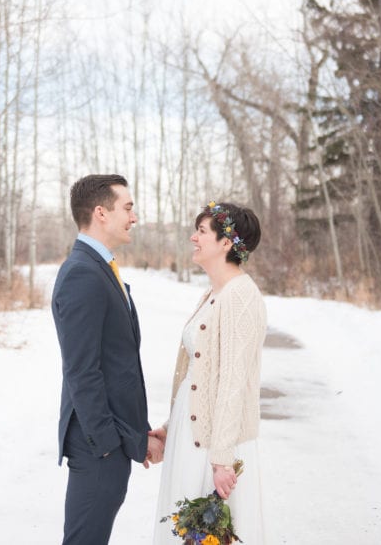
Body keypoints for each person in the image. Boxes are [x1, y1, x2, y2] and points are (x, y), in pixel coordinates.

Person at [51, 174, 165, 545]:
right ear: (101, 212)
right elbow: (82, 371)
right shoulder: (82, 273)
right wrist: (107, 444)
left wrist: (135, 434)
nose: (134, 217)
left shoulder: (100, 267)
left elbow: (118, 366)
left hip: (109, 440)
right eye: (128, 208)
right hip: (96, 445)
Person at [152, 200, 268, 543]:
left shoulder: (241, 297)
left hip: (216, 444)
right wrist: (171, 427)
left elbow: (233, 383)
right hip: (192, 436)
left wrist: (222, 460)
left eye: (201, 231)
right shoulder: (214, 294)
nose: (193, 237)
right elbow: (199, 377)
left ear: (226, 243)